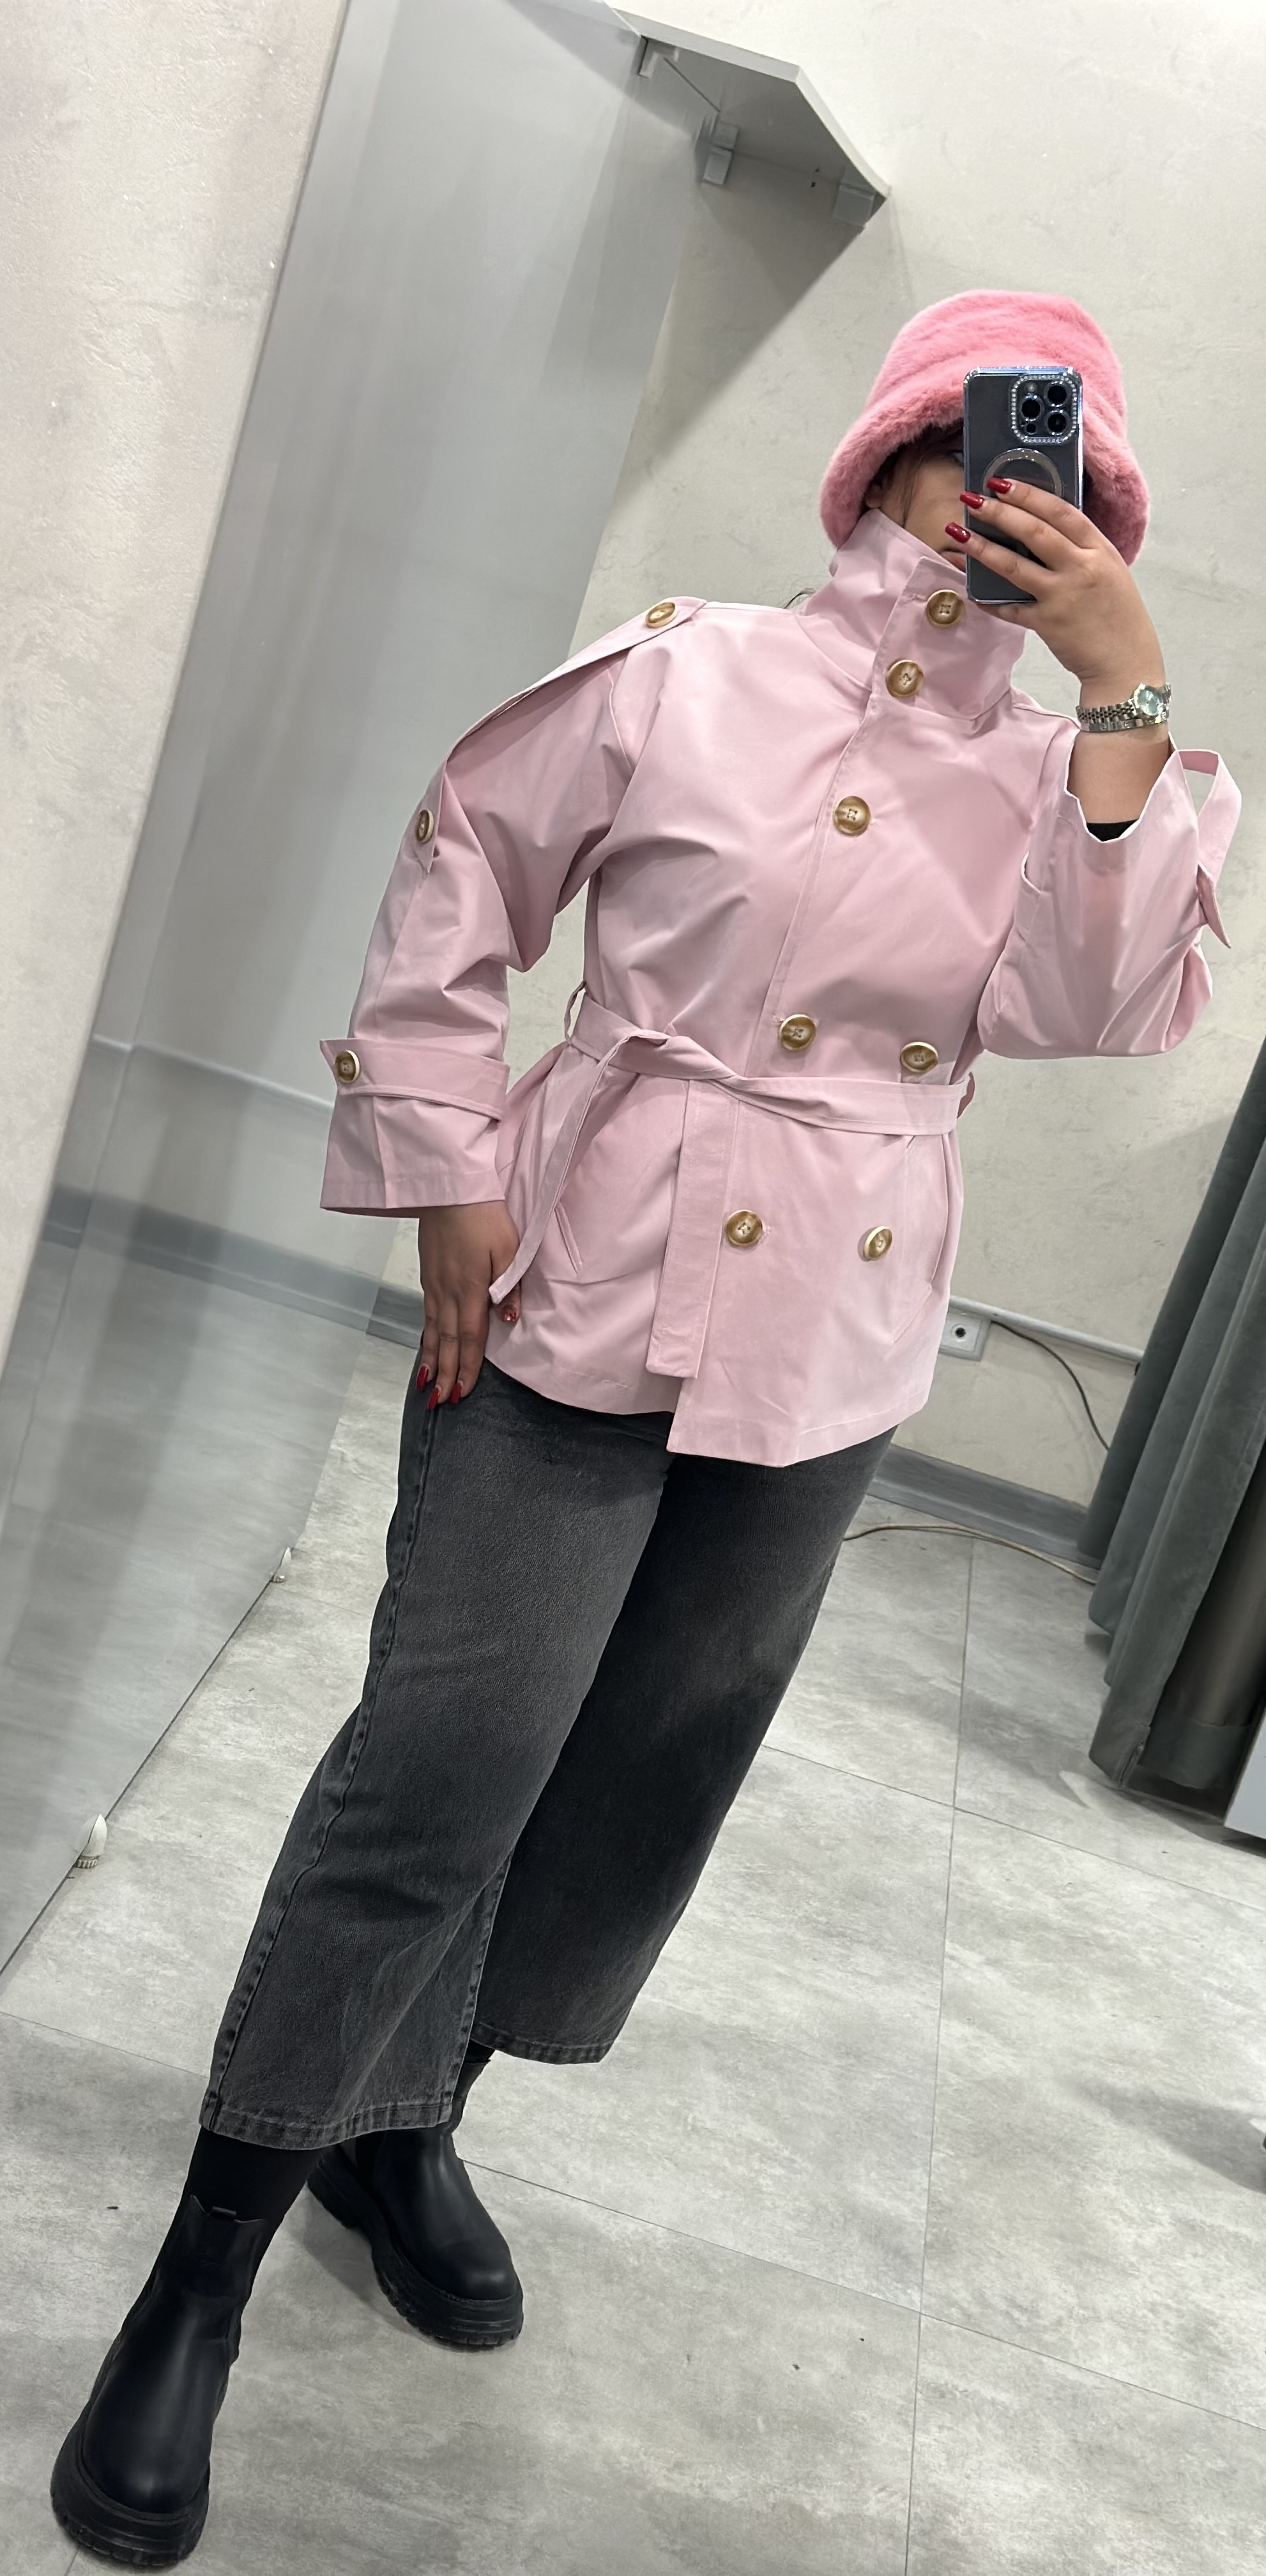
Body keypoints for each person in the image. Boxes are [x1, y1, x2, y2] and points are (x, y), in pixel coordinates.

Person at [51, 288, 1238, 2565]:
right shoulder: (686, 672)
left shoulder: (1073, 771)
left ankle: (408, 2123)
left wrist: (1128, 690)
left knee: (637, 1784)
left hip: (835, 1340)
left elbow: (1097, 1009)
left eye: (1068, 484)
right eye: (977, 452)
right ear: (883, 464)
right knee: (447, 1760)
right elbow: (461, 871)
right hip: (580, 1271)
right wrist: (447, 1163)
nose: (1009, 506)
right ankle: (202, 2265)